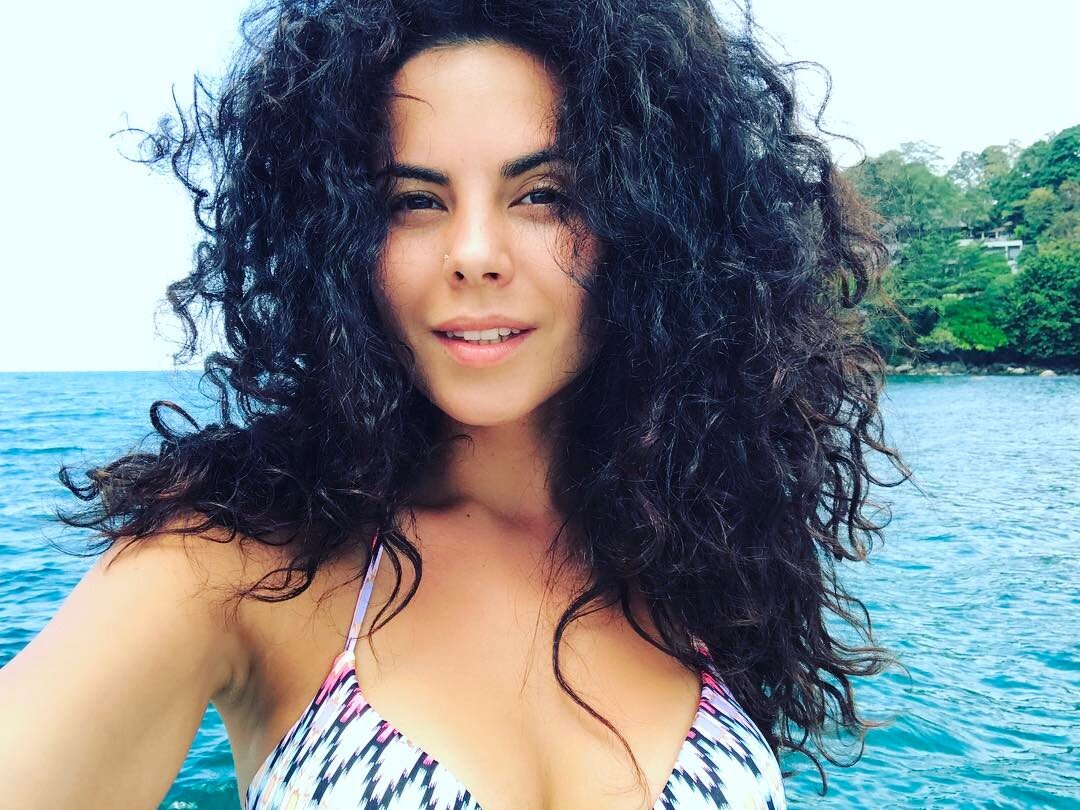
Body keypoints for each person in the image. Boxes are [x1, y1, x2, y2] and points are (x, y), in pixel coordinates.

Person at [0, 0, 911, 807]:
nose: (474, 253)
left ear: (655, 230)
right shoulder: (227, 561)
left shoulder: (695, 543)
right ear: (336, 240)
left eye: (544, 195)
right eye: (414, 201)